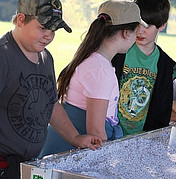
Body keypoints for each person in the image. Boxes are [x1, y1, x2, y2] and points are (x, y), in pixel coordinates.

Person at [0, 0, 102, 178]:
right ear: (21, 20)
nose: (49, 35)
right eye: (43, 28)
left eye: (53, 30)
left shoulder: (46, 58)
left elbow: (52, 105)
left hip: (30, 163)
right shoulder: (4, 55)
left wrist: (75, 138)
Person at [38, 0, 149, 158]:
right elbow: (96, 133)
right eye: (136, 31)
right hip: (68, 154)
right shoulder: (100, 70)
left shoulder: (95, 61)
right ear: (126, 32)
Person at [111, 0, 175, 136]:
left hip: (142, 140)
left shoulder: (166, 65)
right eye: (138, 23)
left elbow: (162, 112)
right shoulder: (117, 52)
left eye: (148, 25)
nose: (140, 31)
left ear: (162, 25)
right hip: (108, 134)